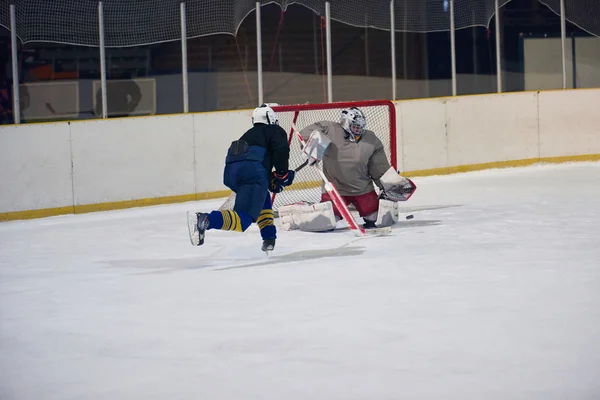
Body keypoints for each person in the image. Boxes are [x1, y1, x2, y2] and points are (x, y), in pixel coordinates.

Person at [278, 106, 416, 232]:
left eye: (360, 127)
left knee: (377, 220)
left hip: (363, 190)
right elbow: (306, 132)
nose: (358, 130)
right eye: (355, 126)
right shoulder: (330, 128)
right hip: (335, 190)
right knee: (324, 222)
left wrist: (389, 184)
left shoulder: (371, 139)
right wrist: (313, 146)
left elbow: (379, 168)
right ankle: (299, 209)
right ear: (346, 122)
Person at [187, 104, 295, 252]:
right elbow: (280, 150)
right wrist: (282, 173)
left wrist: (271, 179)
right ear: (271, 118)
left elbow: (253, 161)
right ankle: (206, 220)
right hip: (251, 172)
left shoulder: (249, 135)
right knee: (243, 219)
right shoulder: (274, 130)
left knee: (261, 194)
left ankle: (269, 238)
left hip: (233, 174)